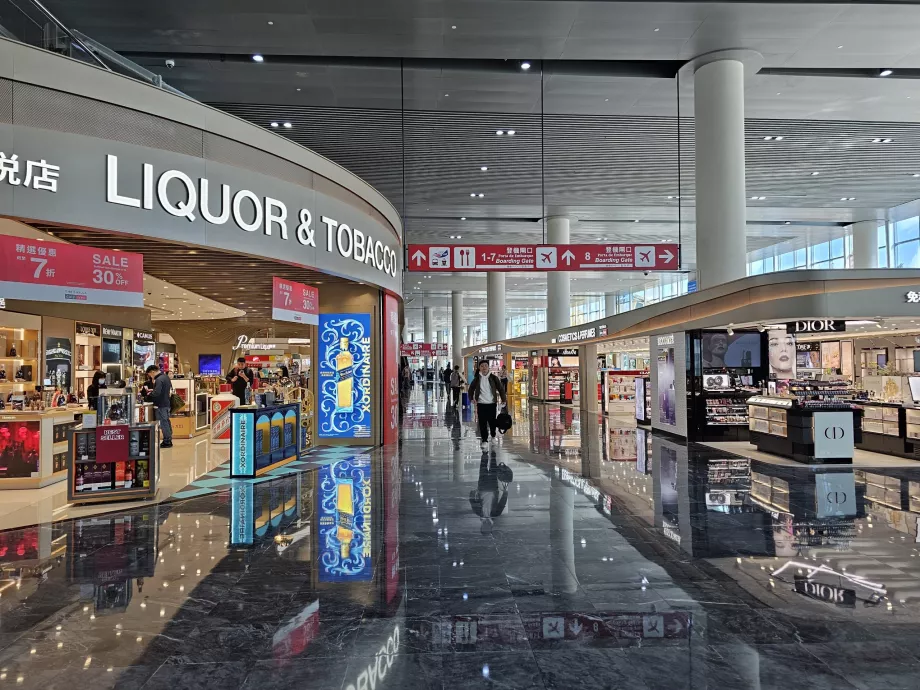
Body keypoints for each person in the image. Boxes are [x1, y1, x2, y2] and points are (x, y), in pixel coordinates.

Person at [467, 360, 507, 449]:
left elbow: (500, 388)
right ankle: (484, 440)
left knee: (492, 421)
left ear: (488, 367)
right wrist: (471, 398)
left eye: (485, 366)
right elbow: (471, 389)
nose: (484, 368)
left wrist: (503, 399)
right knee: (482, 423)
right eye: (482, 366)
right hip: (481, 404)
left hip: (492, 403)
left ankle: (493, 436)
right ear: (479, 368)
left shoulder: (493, 378)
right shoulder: (477, 378)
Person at [146, 365, 173, 448]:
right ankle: (168, 439)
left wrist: (149, 395)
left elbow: (157, 392)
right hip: (166, 403)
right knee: (167, 422)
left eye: (150, 375)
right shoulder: (166, 377)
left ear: (153, 372)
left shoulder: (158, 379)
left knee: (163, 423)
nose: (150, 377)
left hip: (161, 404)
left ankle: (167, 441)